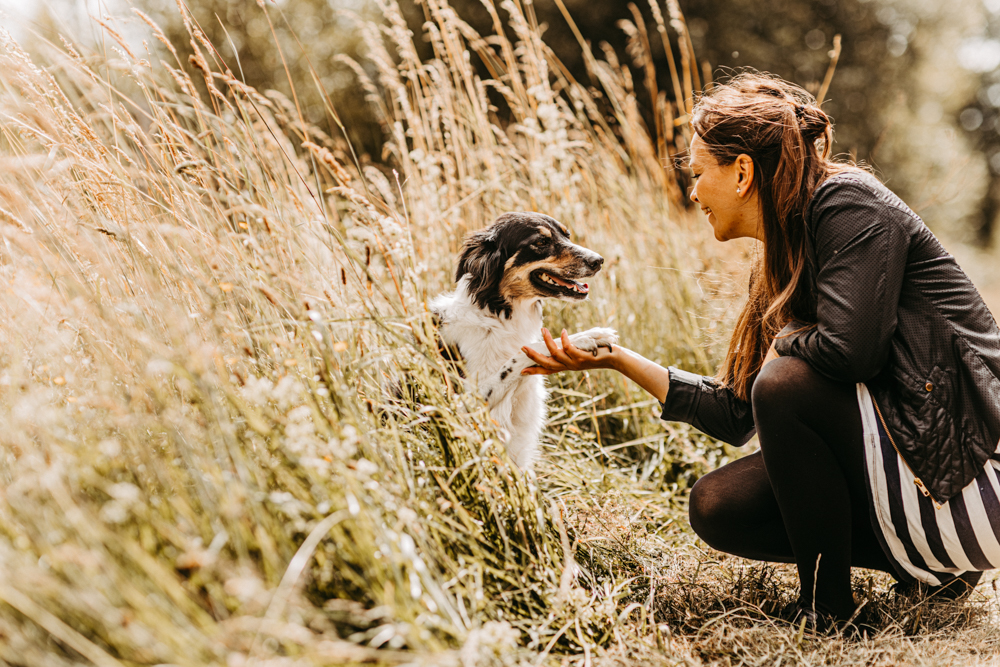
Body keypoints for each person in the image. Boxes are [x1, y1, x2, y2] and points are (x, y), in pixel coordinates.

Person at [521, 72, 1000, 630]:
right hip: (919, 479)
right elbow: (736, 413)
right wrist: (618, 358)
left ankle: (828, 610)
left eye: (699, 175)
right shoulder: (781, 256)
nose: (694, 192)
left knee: (784, 382)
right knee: (717, 506)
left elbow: (850, 354)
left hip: (974, 481)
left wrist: (782, 343)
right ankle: (928, 567)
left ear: (743, 172)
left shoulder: (850, 205)